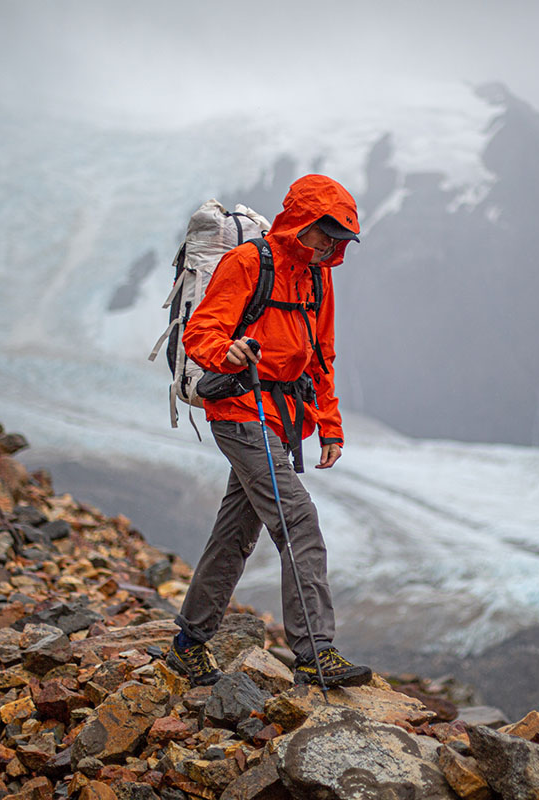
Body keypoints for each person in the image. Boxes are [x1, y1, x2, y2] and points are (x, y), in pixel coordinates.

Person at [167, 174, 372, 688]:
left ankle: (189, 643)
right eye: (325, 233)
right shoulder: (249, 263)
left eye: (338, 239)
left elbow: (321, 357)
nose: (330, 245)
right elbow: (201, 332)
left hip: (282, 418)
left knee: (236, 533)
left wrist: (329, 426)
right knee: (297, 518)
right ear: (302, 221)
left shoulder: (318, 278)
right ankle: (315, 651)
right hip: (239, 408)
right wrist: (227, 352)